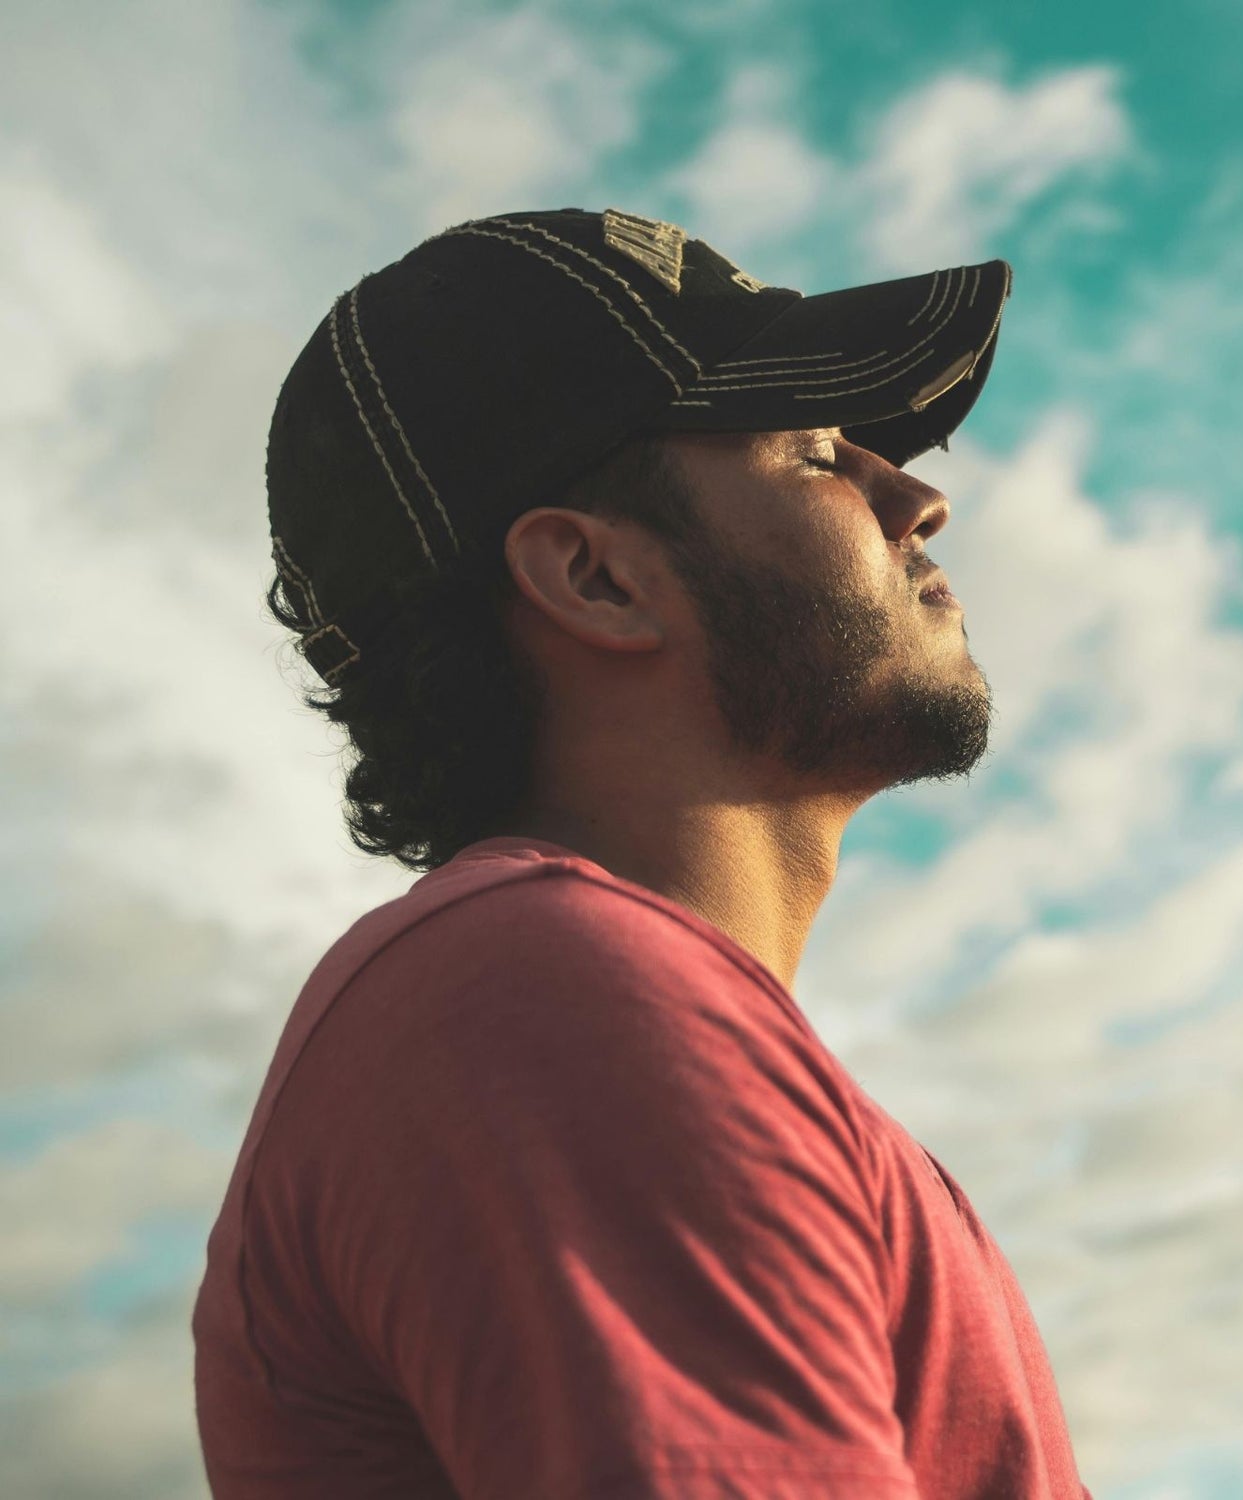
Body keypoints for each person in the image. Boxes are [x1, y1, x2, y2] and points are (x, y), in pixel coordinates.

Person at [192, 206, 1094, 1498]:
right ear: (597, 580)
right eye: (808, 451)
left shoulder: (587, 1004)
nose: (917, 496)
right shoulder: (548, 996)